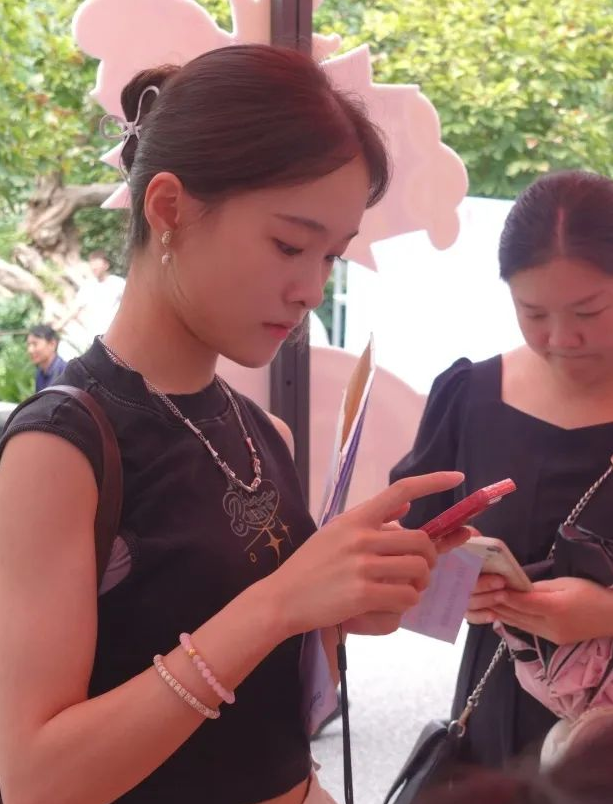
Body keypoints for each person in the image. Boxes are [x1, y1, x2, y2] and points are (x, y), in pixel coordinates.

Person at [0, 45, 469, 804]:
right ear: (168, 209)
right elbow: (35, 780)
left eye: (331, 256)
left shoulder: (261, 432)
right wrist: (280, 602)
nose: (311, 288)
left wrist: (341, 610)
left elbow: (272, 718)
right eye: (289, 245)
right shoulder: (60, 447)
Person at [391, 170, 613, 768]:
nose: (562, 338)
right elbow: (406, 557)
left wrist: (604, 614)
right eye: (532, 311)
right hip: (499, 719)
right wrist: (457, 590)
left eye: (589, 310)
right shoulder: (470, 397)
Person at [56, 250, 126, 350]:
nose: (94, 268)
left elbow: (130, 306)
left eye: (97, 264)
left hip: (117, 337)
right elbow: (74, 309)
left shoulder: (118, 283)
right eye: (92, 265)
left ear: (106, 265)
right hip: (95, 341)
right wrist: (57, 326)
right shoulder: (88, 286)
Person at [26, 324, 67, 391]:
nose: (30, 350)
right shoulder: (40, 372)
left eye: (35, 344)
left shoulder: (65, 372)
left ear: (52, 344)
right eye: (28, 345)